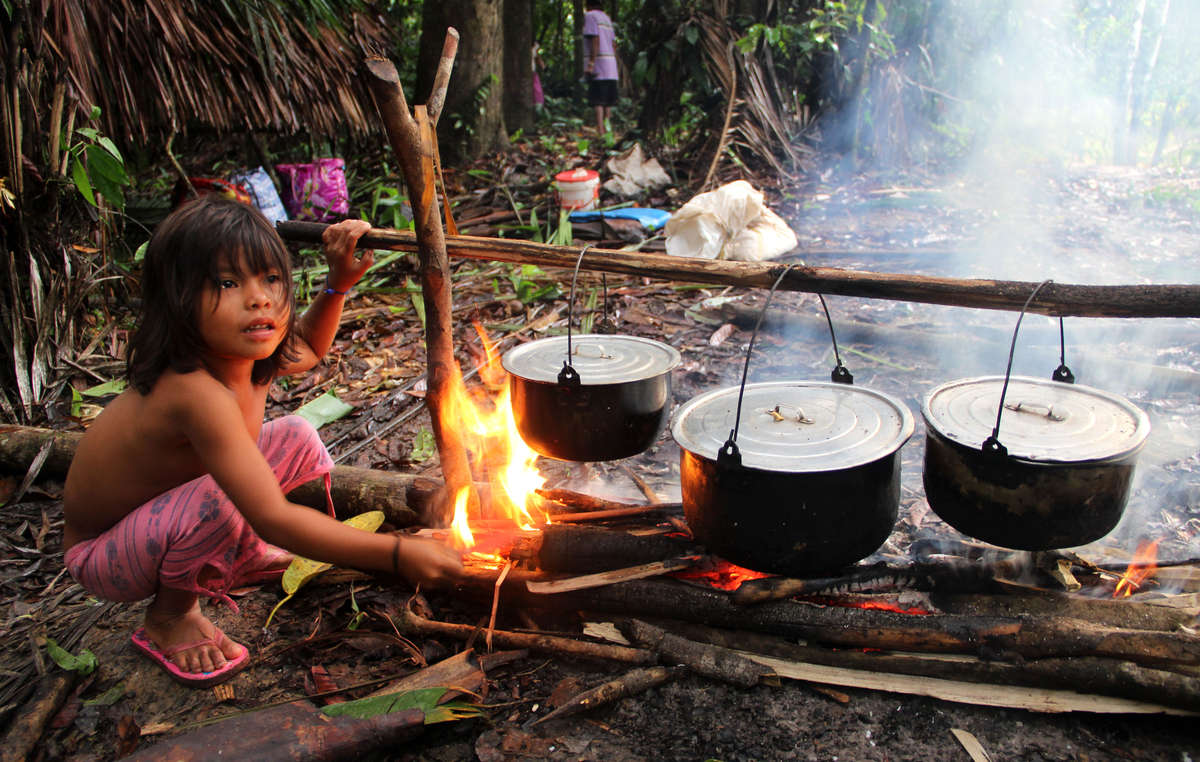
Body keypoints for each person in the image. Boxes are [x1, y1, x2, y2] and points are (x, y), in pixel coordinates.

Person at [62, 196, 463, 687]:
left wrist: (338, 282)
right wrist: (396, 554)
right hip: (107, 556)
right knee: (226, 497)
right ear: (177, 298)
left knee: (294, 433)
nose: (260, 299)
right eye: (228, 283)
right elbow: (271, 514)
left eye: (271, 279)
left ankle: (241, 554)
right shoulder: (193, 391)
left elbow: (313, 347)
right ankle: (169, 617)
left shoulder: (245, 355)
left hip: (167, 522)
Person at [583, 0, 618, 133]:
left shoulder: (590, 16)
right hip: (610, 65)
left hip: (599, 64)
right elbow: (614, 44)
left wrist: (591, 63)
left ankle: (600, 130)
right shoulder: (606, 18)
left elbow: (595, 39)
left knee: (598, 100)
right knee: (608, 101)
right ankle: (607, 130)